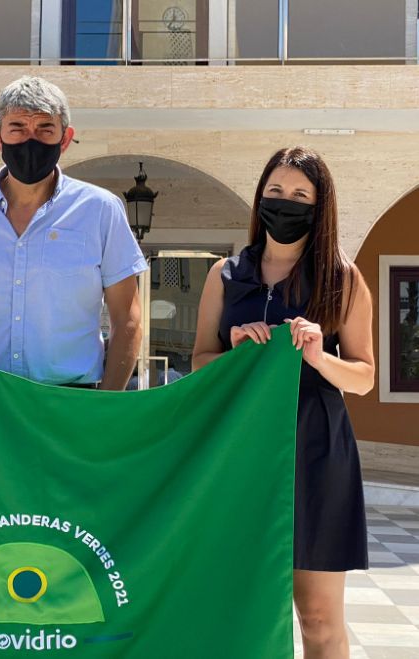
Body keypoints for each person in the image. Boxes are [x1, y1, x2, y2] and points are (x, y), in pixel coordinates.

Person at [192, 146, 374, 658]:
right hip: (238, 451)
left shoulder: (343, 279)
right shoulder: (225, 275)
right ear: (259, 197)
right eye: (276, 192)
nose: (285, 202)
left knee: (317, 618)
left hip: (315, 449)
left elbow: (363, 377)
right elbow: (200, 362)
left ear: (321, 207)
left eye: (300, 195)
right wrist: (234, 353)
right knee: (240, 606)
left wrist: (318, 357)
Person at [0, 76, 146, 389]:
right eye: (18, 128)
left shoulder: (100, 211)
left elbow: (128, 319)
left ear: (65, 139)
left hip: (70, 400)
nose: (31, 140)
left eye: (45, 129)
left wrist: (105, 407)